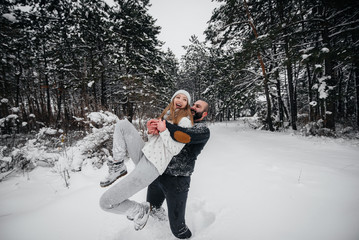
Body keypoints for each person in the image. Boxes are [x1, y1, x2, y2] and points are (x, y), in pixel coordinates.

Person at [99, 90, 193, 231]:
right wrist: (151, 132)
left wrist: (163, 131)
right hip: (144, 154)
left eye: (184, 99)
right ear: (173, 99)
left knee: (105, 202)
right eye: (177, 97)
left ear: (187, 105)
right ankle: (118, 165)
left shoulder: (184, 121)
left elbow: (175, 150)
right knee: (123, 125)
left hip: (153, 166)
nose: (180, 99)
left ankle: (140, 210)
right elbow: (155, 143)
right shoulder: (167, 115)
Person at [146, 100, 210, 239]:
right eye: (193, 104)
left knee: (178, 229)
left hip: (177, 181)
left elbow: (182, 134)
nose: (193, 107)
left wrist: (162, 123)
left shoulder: (202, 130)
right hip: (159, 174)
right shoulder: (178, 122)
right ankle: (159, 230)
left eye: (197, 107)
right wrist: (153, 130)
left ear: (204, 114)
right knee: (153, 210)